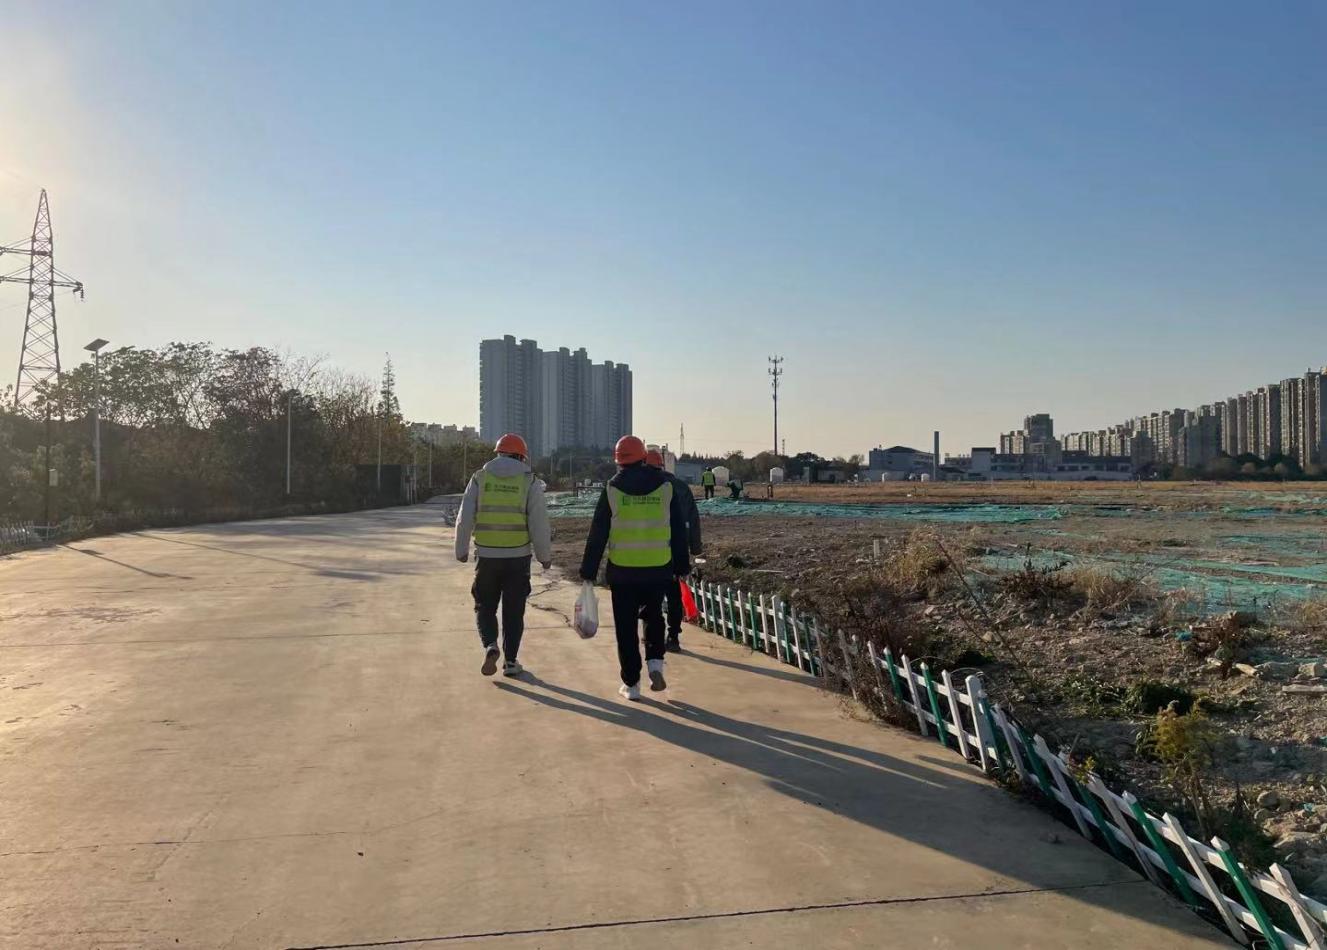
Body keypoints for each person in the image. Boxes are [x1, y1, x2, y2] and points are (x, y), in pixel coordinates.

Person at [580, 436, 690, 700]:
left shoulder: (612, 489)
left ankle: (631, 684)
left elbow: (598, 533)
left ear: (618, 461)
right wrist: (681, 565)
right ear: (643, 457)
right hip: (658, 567)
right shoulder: (665, 487)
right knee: (654, 616)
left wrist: (588, 572)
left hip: (623, 571)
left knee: (626, 627)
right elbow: (678, 530)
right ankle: (655, 664)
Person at [455, 433, 552, 678]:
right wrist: (544, 556)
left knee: (485, 606)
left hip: (487, 557)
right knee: (513, 611)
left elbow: (465, 517)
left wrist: (461, 549)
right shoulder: (529, 481)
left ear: (498, 453)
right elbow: (539, 522)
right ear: (521, 456)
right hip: (518, 558)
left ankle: (490, 645)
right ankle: (510, 661)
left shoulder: (480, 478)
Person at [645, 448, 702, 653]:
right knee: (674, 594)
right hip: (677, 549)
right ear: (662, 465)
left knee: (651, 595)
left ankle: (653, 635)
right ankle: (674, 636)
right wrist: (695, 548)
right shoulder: (681, 486)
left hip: (652, 550)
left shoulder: (646, 487)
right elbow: (693, 518)